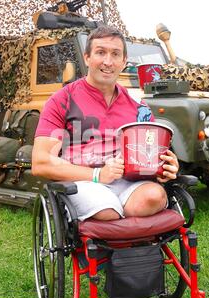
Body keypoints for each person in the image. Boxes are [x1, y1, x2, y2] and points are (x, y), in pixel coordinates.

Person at [32, 25, 179, 221]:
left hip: (129, 182)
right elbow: (41, 163)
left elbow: (150, 156)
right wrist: (97, 174)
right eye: (100, 52)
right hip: (83, 181)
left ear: (124, 61)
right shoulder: (61, 100)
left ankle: (127, 242)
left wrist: (165, 168)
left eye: (115, 54)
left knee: (153, 197)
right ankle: (119, 238)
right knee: (106, 210)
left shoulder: (139, 106)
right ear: (87, 57)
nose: (108, 62)